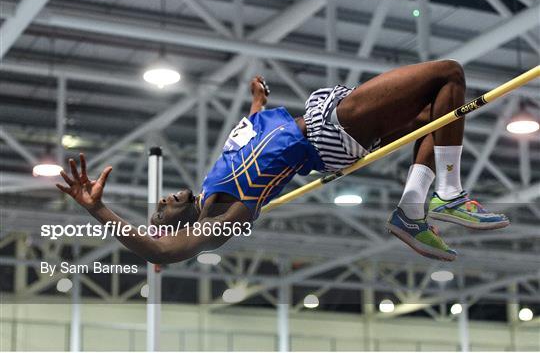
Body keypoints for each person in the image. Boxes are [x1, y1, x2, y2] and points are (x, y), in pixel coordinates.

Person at [57, 60, 509, 264]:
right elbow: (158, 249)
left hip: (320, 125)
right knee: (448, 73)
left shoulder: (216, 180)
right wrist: (97, 209)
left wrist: (257, 103)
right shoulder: (222, 217)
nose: (161, 199)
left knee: (443, 115)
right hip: (330, 129)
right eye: (160, 211)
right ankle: (447, 195)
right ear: (178, 225)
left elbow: (254, 139)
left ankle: (413, 209)